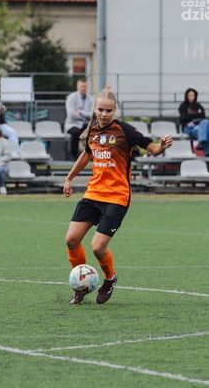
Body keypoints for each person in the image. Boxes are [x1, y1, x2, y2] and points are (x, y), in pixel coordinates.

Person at [63, 86, 172, 305]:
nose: (104, 114)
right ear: (95, 109)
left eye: (108, 110)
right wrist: (69, 178)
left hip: (117, 197)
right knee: (71, 240)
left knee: (97, 247)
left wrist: (162, 146)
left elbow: (152, 149)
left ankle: (110, 278)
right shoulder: (91, 129)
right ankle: (81, 285)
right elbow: (86, 155)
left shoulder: (125, 131)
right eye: (101, 110)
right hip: (93, 194)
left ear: (115, 111)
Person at [65, 78, 94, 160]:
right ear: (77, 87)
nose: (83, 88)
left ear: (87, 87)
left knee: (94, 132)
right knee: (76, 132)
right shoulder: (71, 97)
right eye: (81, 86)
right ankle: (73, 156)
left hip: (86, 124)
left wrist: (80, 112)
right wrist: (86, 114)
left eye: (85, 86)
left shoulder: (91, 99)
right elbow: (71, 114)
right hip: (72, 124)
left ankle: (90, 156)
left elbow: (92, 114)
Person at [178, 88, 209, 155]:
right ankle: (207, 152)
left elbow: (203, 117)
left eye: (193, 95)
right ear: (186, 96)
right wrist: (196, 116)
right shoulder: (183, 106)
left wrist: (191, 116)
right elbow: (183, 118)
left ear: (195, 96)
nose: (191, 97)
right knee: (205, 132)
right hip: (188, 127)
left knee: (205, 122)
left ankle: (201, 142)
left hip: (199, 126)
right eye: (189, 95)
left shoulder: (198, 106)